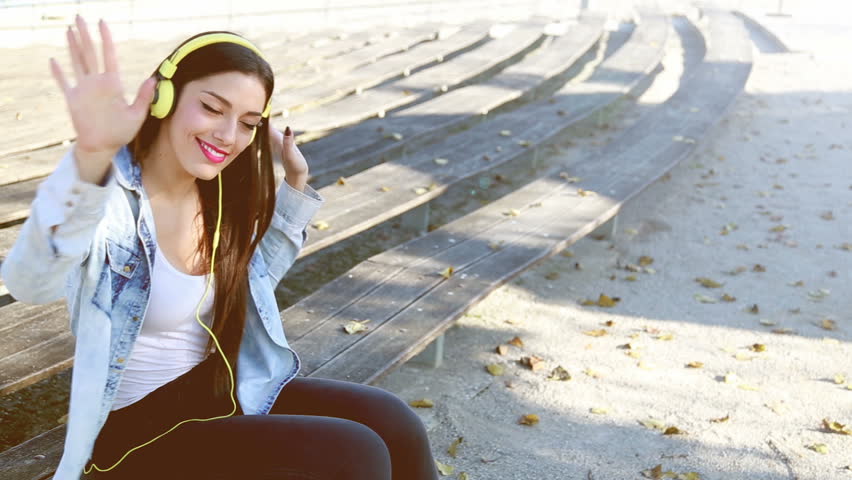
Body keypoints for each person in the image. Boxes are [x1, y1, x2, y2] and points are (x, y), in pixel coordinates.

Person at [0, 15, 440, 480]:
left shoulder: (218, 192)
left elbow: (252, 282)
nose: (229, 136)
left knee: (394, 421)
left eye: (248, 123)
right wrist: (90, 158)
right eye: (212, 108)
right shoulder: (110, 203)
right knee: (356, 453)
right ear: (165, 97)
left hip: (215, 391)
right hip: (133, 436)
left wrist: (295, 186)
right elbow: (30, 280)